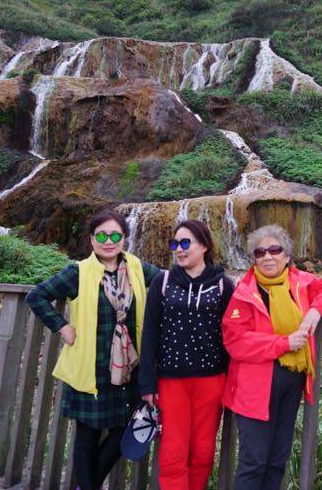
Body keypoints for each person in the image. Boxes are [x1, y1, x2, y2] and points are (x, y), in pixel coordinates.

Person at [26, 210, 159, 490]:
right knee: (87, 436)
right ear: (91, 239)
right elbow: (36, 296)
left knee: (123, 430)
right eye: (101, 235)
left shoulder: (137, 268)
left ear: (124, 238)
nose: (108, 241)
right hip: (91, 368)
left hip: (129, 368)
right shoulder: (78, 272)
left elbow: (167, 283)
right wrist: (61, 326)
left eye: (115, 235)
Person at [222, 224, 322, 490]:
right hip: (254, 388)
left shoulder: (301, 283)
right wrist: (284, 343)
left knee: (276, 462)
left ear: (287, 255)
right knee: (253, 462)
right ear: (254, 259)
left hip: (290, 384)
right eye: (260, 252)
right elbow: (236, 341)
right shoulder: (244, 293)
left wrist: (316, 310)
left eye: (274, 250)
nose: (267, 256)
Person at [138, 219, 234, 490]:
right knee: (173, 451)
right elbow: (150, 332)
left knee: (203, 450)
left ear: (204, 246)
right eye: (175, 244)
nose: (179, 249)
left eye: (185, 243)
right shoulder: (163, 281)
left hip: (211, 381)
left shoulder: (223, 285)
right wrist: (147, 383)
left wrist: (233, 382)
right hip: (170, 381)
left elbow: (232, 334)